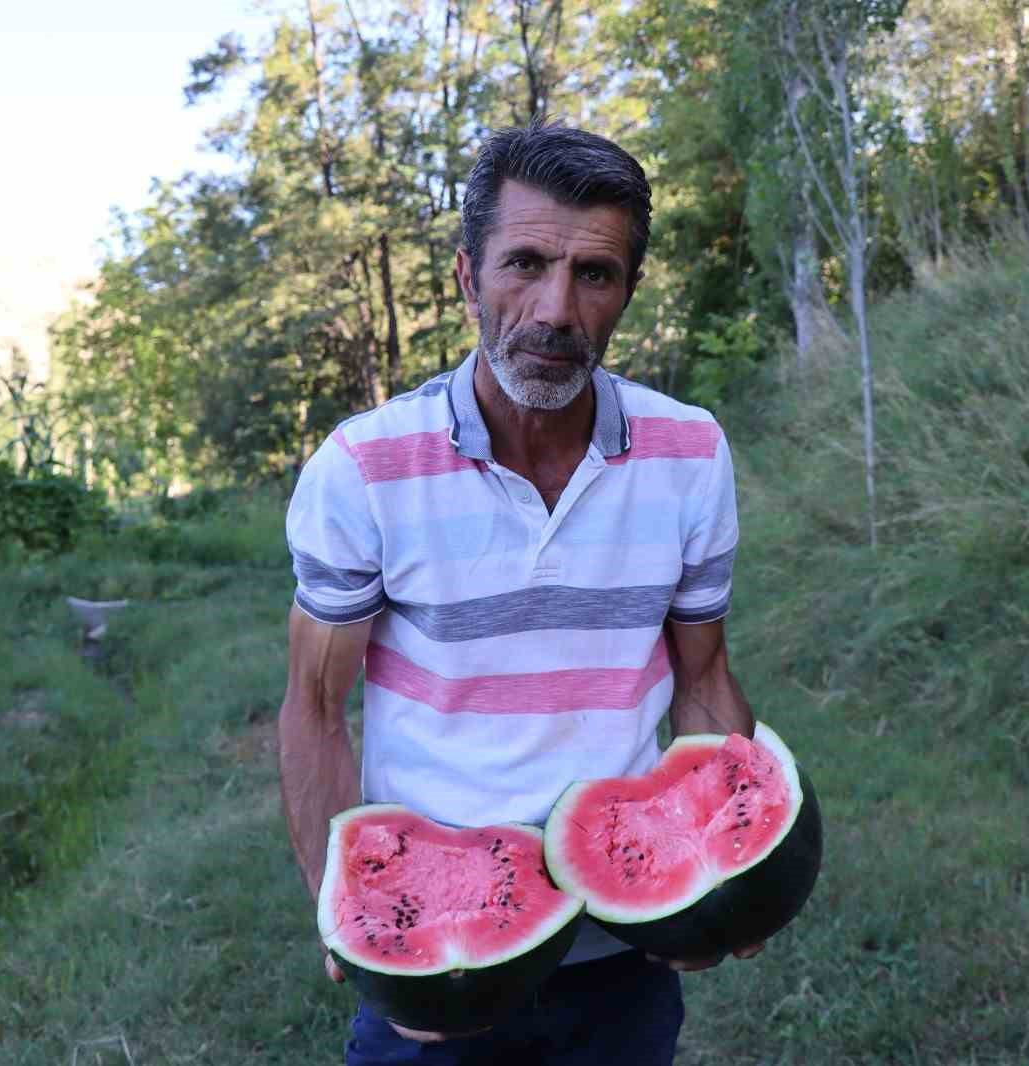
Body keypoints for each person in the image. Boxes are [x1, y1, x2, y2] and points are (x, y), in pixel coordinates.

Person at [279, 119, 762, 1066]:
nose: (554, 309)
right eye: (524, 263)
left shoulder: (691, 453)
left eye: (594, 275)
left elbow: (703, 680)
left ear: (627, 292)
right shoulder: (364, 466)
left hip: (625, 940)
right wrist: (346, 904)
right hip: (430, 946)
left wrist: (735, 858)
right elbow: (313, 705)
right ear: (467, 276)